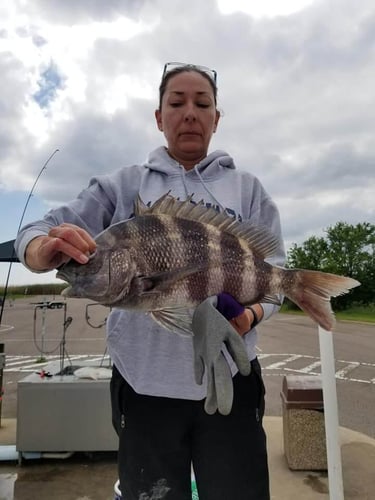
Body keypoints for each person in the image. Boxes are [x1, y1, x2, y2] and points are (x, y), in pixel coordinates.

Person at [15, 62, 285, 500]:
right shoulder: (123, 187)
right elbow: (40, 228)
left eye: (203, 103)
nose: (190, 113)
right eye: (176, 103)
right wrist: (39, 250)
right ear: (159, 117)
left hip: (230, 386)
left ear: (217, 117)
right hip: (144, 391)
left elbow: (274, 275)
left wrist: (249, 316)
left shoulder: (248, 190)